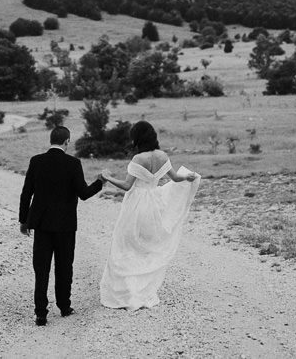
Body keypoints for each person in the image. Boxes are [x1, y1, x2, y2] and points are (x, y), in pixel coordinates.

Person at [99, 120, 200, 310]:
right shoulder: (161, 155)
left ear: (137, 138)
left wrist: (108, 177)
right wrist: (188, 178)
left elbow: (128, 185)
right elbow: (176, 178)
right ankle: (144, 289)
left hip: (136, 204)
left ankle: (128, 291)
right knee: (146, 246)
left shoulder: (138, 159)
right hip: (154, 203)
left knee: (126, 245)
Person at [19, 125, 104, 327]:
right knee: (64, 267)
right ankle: (64, 307)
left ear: (51, 140)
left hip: (41, 225)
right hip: (65, 226)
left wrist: (24, 220)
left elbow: (26, 193)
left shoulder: (36, 161)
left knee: (41, 269)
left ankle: (41, 313)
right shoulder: (73, 163)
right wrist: (100, 182)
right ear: (67, 141)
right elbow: (83, 194)